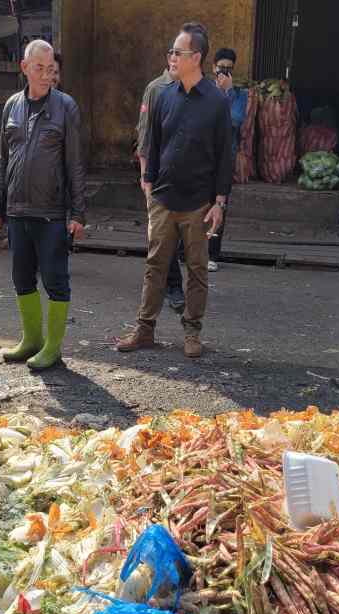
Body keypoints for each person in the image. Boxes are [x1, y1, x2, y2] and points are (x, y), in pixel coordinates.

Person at [117, 22, 232, 360]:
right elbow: (151, 141)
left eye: (177, 52)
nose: (171, 57)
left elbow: (226, 154)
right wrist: (149, 185)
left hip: (199, 202)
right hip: (163, 199)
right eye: (171, 51)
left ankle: (192, 332)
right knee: (155, 265)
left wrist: (220, 202)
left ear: (195, 58)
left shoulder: (216, 101)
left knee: (197, 269)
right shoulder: (163, 94)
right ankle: (145, 329)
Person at [0, 39, 87, 371]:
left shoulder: (65, 106)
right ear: (25, 68)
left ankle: (53, 348)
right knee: (22, 278)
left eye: (50, 69)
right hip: (17, 210)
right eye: (39, 68)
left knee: (56, 279)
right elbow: (3, 161)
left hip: (52, 213)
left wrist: (78, 213)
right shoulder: (12, 106)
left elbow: (74, 163)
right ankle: (31, 340)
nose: (46, 75)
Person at [136, 65, 185, 313]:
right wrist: (146, 176)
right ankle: (172, 286)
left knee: (174, 234)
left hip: (184, 175)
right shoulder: (156, 89)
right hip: (158, 174)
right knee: (160, 235)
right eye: (175, 55)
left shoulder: (194, 89)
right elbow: (144, 135)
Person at [207, 47, 242, 272]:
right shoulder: (204, 90)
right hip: (203, 155)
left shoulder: (240, 94)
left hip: (225, 157)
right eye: (221, 68)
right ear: (213, 67)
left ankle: (212, 254)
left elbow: (236, 120)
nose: (225, 72)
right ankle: (186, 250)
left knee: (220, 204)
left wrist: (227, 94)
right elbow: (208, 118)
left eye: (229, 69)